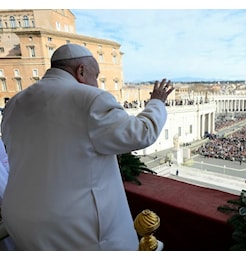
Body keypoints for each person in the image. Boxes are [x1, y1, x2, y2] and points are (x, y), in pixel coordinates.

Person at [0, 43, 174, 250]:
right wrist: (156, 102)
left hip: (20, 219)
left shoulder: (14, 103)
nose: (97, 84)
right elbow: (141, 132)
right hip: (73, 226)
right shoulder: (91, 99)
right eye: (96, 76)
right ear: (81, 71)